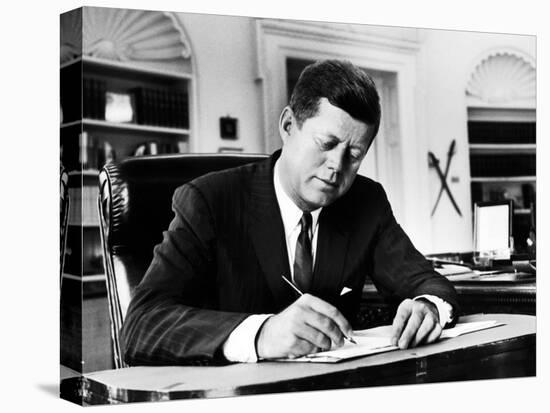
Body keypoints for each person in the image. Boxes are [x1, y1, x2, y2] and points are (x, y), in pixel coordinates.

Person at [121, 59, 459, 366]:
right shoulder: (209, 201)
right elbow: (141, 325)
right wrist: (262, 334)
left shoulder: (366, 201)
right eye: (326, 144)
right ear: (287, 125)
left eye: (354, 155)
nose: (336, 167)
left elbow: (426, 281)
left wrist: (428, 307)